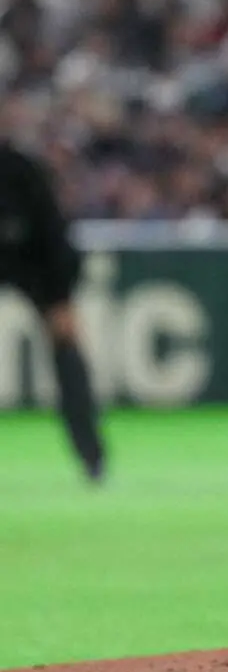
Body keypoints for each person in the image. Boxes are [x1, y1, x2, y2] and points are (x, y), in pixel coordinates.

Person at [0, 142, 107, 483]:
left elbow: (52, 236)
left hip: (34, 265)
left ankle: (91, 456)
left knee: (67, 350)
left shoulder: (18, 171)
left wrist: (60, 298)